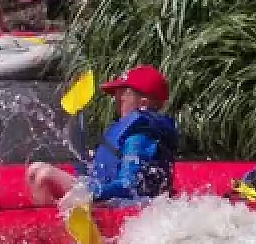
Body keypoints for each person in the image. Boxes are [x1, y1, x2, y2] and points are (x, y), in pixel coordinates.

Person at [26, 64, 178, 206]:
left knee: (44, 174)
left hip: (121, 206)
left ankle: (45, 225)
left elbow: (130, 185)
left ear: (143, 104)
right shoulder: (131, 130)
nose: (117, 98)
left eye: (124, 93)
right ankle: (48, 219)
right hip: (107, 197)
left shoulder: (139, 137)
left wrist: (91, 193)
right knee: (35, 170)